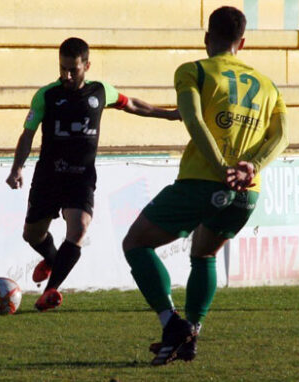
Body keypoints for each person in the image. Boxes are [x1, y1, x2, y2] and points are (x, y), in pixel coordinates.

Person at [122, 6, 289, 366]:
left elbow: (193, 119)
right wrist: (251, 167)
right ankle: (191, 335)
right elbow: (282, 136)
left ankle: (172, 324)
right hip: (247, 191)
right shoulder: (268, 85)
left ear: (206, 37)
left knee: (136, 243)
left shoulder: (193, 71)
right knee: (205, 254)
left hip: (202, 180)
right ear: (241, 42)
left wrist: (220, 167)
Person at [6, 37, 180, 312]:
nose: (66, 75)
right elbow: (27, 134)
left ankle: (51, 290)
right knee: (33, 235)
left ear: (87, 65)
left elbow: (133, 104)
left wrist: (168, 115)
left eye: (73, 69)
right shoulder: (46, 95)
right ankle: (52, 259)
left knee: (79, 228)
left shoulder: (101, 92)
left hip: (81, 177)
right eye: (62, 68)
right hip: (49, 176)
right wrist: (17, 168)